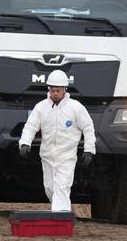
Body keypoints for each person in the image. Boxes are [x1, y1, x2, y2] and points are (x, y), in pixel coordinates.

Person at [18, 69, 96, 212]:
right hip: (47, 156)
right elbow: (30, 126)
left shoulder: (76, 108)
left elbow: (88, 128)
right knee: (50, 188)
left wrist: (89, 150)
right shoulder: (41, 107)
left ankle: (61, 219)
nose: (55, 93)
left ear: (65, 89)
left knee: (62, 186)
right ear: (49, 89)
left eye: (58, 90)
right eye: (52, 90)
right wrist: (24, 143)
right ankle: (61, 212)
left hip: (66, 157)